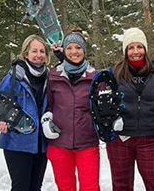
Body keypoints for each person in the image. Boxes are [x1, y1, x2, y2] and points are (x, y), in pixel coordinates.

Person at [106, 27, 154, 191]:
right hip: (120, 138)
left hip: (149, 137)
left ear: (145, 48)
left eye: (139, 46)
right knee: (121, 186)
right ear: (125, 50)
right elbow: (88, 79)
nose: (135, 51)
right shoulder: (114, 72)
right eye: (131, 47)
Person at [42, 31, 100, 191]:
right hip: (59, 142)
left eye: (78, 47)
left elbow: (102, 109)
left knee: (90, 187)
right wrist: (46, 120)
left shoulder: (95, 77)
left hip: (87, 143)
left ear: (84, 50)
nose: (74, 51)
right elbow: (47, 105)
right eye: (69, 48)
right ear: (64, 51)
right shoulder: (53, 75)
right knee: (65, 187)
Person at [0, 34, 50, 191]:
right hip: (17, 140)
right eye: (34, 51)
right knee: (21, 187)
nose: (39, 55)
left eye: (42, 51)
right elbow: (0, 102)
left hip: (41, 142)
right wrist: (1, 120)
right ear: (26, 53)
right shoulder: (14, 76)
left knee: (35, 187)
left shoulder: (50, 77)